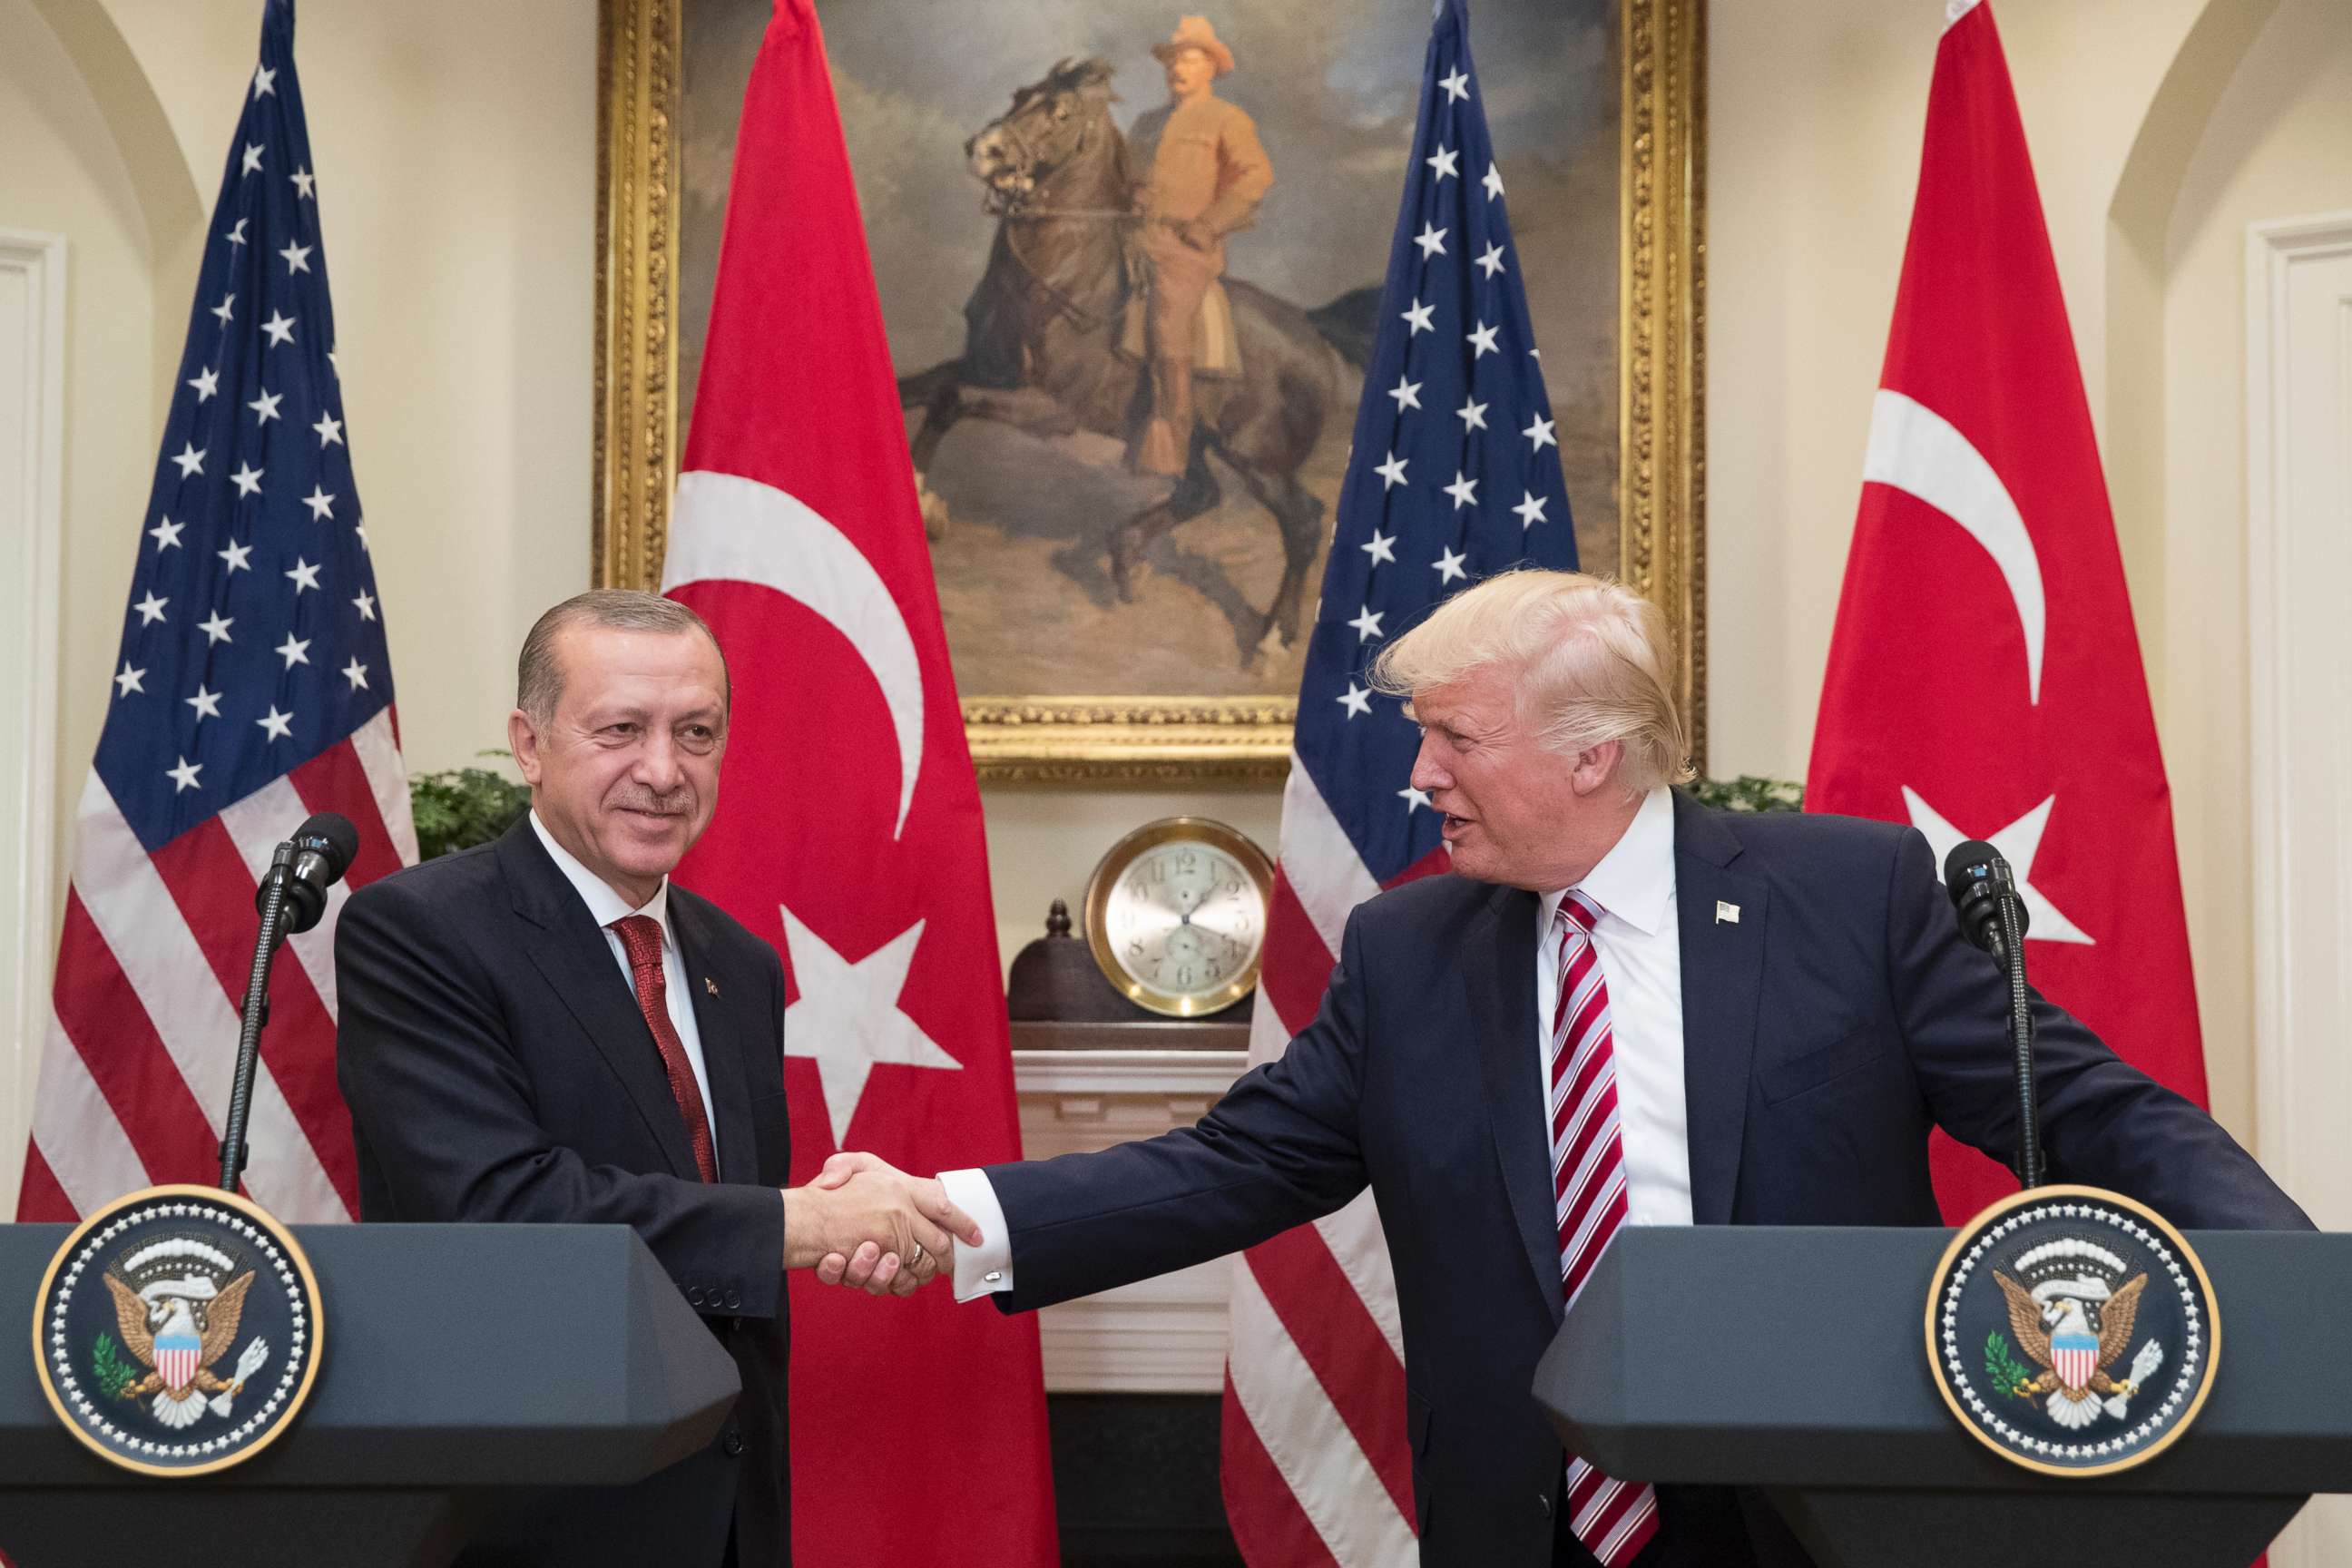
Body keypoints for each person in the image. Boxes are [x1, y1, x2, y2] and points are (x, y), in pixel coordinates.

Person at [822, 571, 2311, 1568]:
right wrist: (953, 1208)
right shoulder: (1412, 948)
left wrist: (2286, 1291)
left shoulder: (1846, 897)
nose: (1421, 776)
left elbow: (2095, 1112)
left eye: (1454, 739)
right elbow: (1232, 1162)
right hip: (1524, 1516)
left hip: (1818, 1507)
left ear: (1592, 751)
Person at [335, 591, 972, 1568]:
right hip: (528, 1522)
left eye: (697, 732)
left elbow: (725, 1251)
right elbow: (493, 1208)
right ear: (529, 742)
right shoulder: (421, 931)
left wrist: (835, 1228)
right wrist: (804, 1225)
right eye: (621, 729)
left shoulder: (740, 963)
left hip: (726, 1519)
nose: (664, 771)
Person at [1123, 15, 1273, 476]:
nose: (1177, 68)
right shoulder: (1147, 123)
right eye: (1172, 60)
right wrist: (1132, 195)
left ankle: (1172, 441)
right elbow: (1128, 177)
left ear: (1211, 67)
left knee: (1168, 326)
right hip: (1134, 237)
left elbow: (1256, 176)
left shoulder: (1227, 119)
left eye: (1189, 59)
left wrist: (1210, 224)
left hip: (1186, 249)